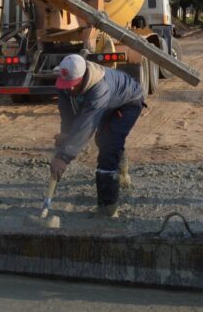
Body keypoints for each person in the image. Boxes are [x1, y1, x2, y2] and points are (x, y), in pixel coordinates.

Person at [51, 54, 144, 217]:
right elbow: (67, 111)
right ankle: (121, 171)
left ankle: (108, 209)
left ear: (83, 77)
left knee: (109, 147)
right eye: (66, 85)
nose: (69, 89)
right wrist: (65, 133)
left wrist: (63, 157)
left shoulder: (99, 88)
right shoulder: (65, 82)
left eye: (73, 85)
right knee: (104, 140)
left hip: (128, 102)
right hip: (108, 103)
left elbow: (86, 125)